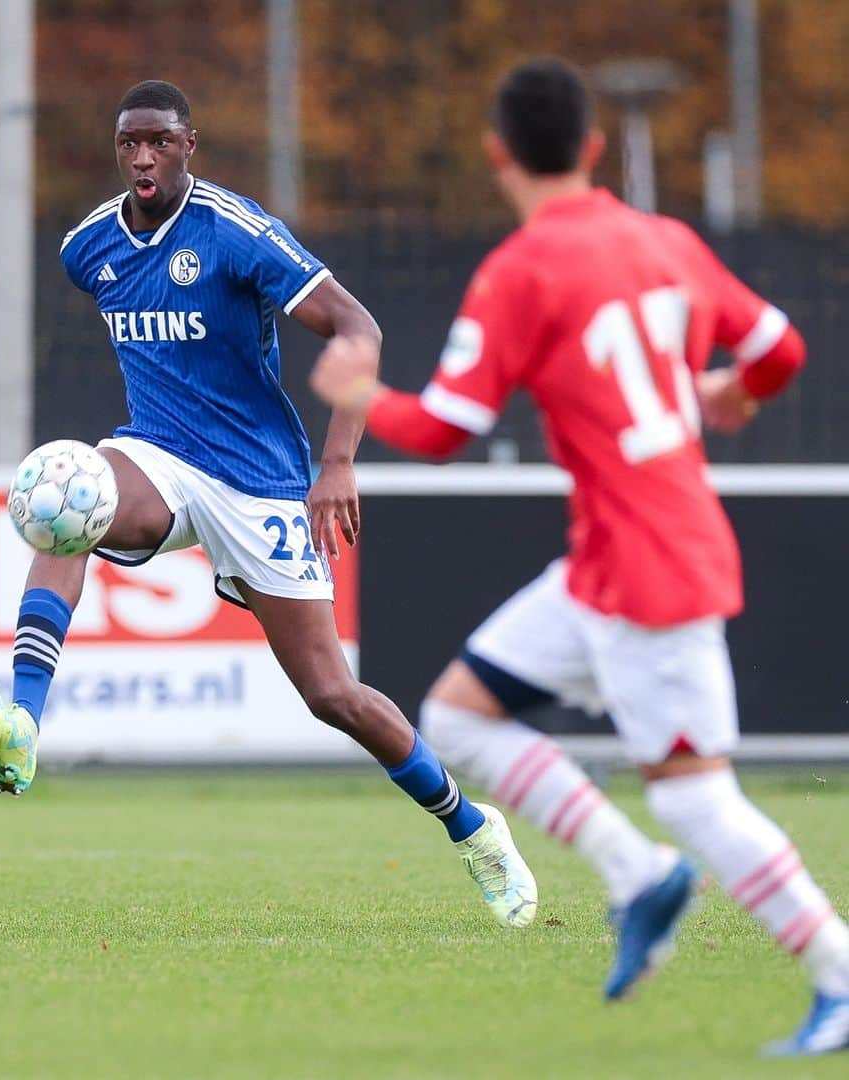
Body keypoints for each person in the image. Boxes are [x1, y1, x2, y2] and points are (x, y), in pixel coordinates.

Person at [310, 57, 849, 1057]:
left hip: (648, 572)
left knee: (698, 798)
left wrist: (356, 392)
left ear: (497, 153)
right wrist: (736, 390)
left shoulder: (524, 270)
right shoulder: (667, 242)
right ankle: (636, 875)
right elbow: (782, 350)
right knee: (456, 717)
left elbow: (442, 428)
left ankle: (839, 973)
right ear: (596, 148)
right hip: (612, 562)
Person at [0, 79, 537, 928]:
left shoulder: (233, 232)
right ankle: (23, 722)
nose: (143, 157)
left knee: (333, 696)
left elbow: (358, 329)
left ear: (190, 144)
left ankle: (473, 828)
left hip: (257, 480)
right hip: (157, 456)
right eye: (129, 144)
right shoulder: (89, 248)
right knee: (66, 505)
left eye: (159, 140)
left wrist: (336, 464)